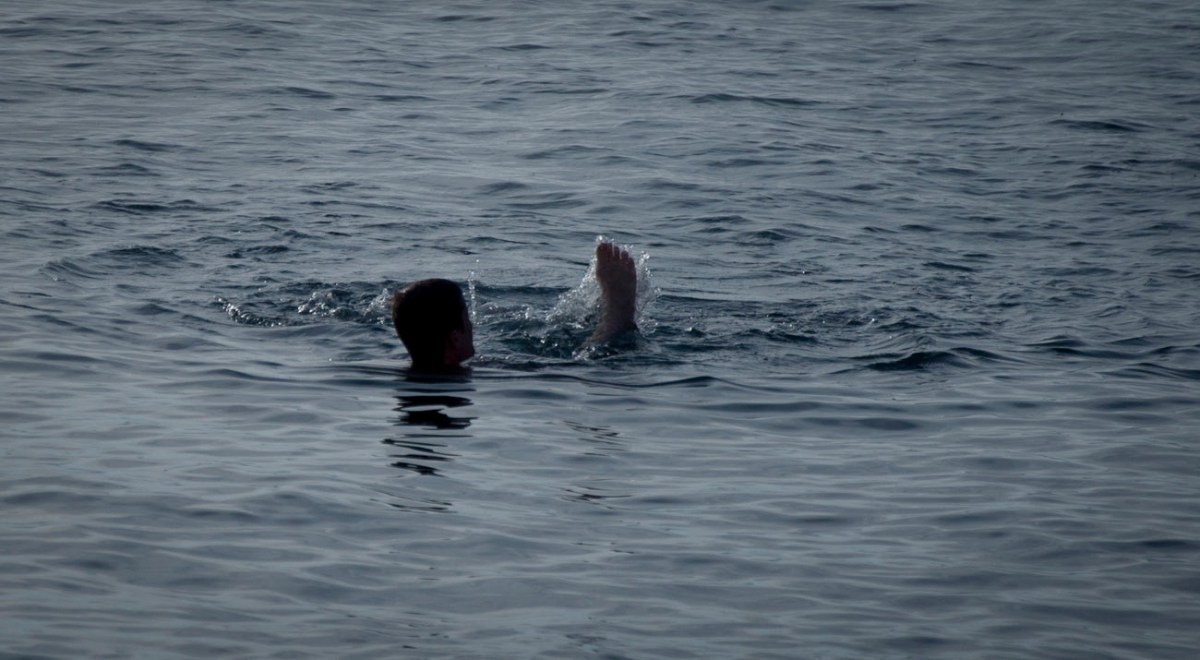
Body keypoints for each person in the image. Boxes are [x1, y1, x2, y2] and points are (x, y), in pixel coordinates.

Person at [391, 240, 639, 370]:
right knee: (586, 360)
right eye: (467, 318)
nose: (473, 325)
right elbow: (575, 368)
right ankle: (616, 315)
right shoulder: (483, 369)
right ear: (455, 339)